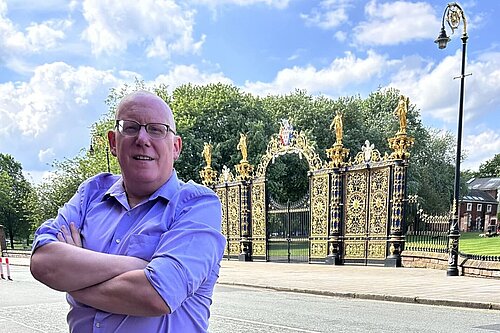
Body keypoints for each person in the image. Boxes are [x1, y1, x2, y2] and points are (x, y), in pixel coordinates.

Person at [30, 90, 226, 332]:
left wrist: (72, 279)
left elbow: (157, 294)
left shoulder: (197, 205)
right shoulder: (91, 193)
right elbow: (43, 263)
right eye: (131, 127)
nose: (143, 138)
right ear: (113, 142)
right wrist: (138, 266)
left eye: (156, 129)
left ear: (175, 147)